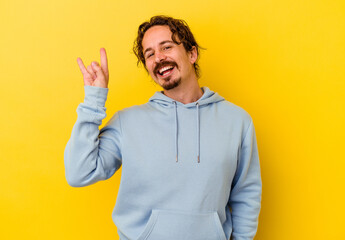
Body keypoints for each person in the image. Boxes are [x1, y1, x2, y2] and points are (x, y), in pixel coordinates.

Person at [65, 15, 262, 240]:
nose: (158, 57)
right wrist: (93, 100)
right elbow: (79, 172)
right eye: (149, 54)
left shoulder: (237, 121)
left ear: (192, 53)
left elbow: (246, 195)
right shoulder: (127, 122)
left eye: (166, 47)